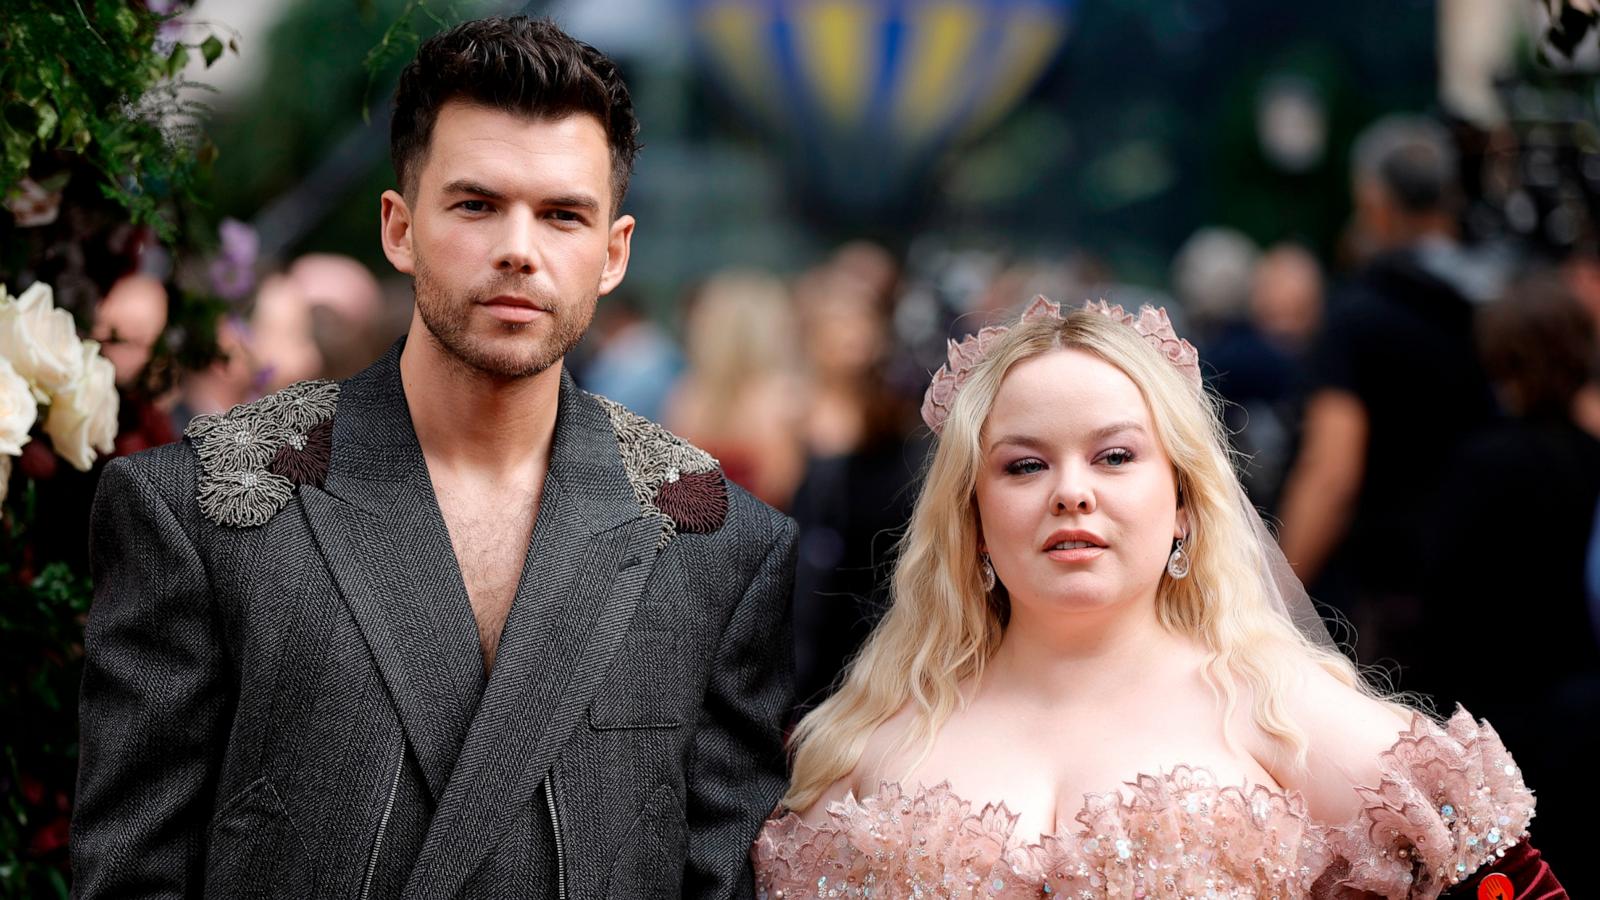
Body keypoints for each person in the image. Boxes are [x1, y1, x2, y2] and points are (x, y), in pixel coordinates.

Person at [73, 17, 796, 898]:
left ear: (613, 253)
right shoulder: (200, 507)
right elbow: (129, 876)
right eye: (476, 203)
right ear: (400, 228)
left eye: (563, 214)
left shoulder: (715, 540)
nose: (519, 249)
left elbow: (718, 878)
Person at [752, 298, 1563, 898]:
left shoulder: (1285, 716)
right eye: (1024, 465)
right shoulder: (870, 742)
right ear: (971, 515)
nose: (1071, 492)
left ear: (1182, 501)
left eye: (1113, 456)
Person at [1277, 115, 1496, 664]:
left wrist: (1272, 602)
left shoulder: (1359, 316)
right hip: (1507, 588)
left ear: (1373, 202)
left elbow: (1332, 473)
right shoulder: (1505, 303)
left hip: (1391, 602)